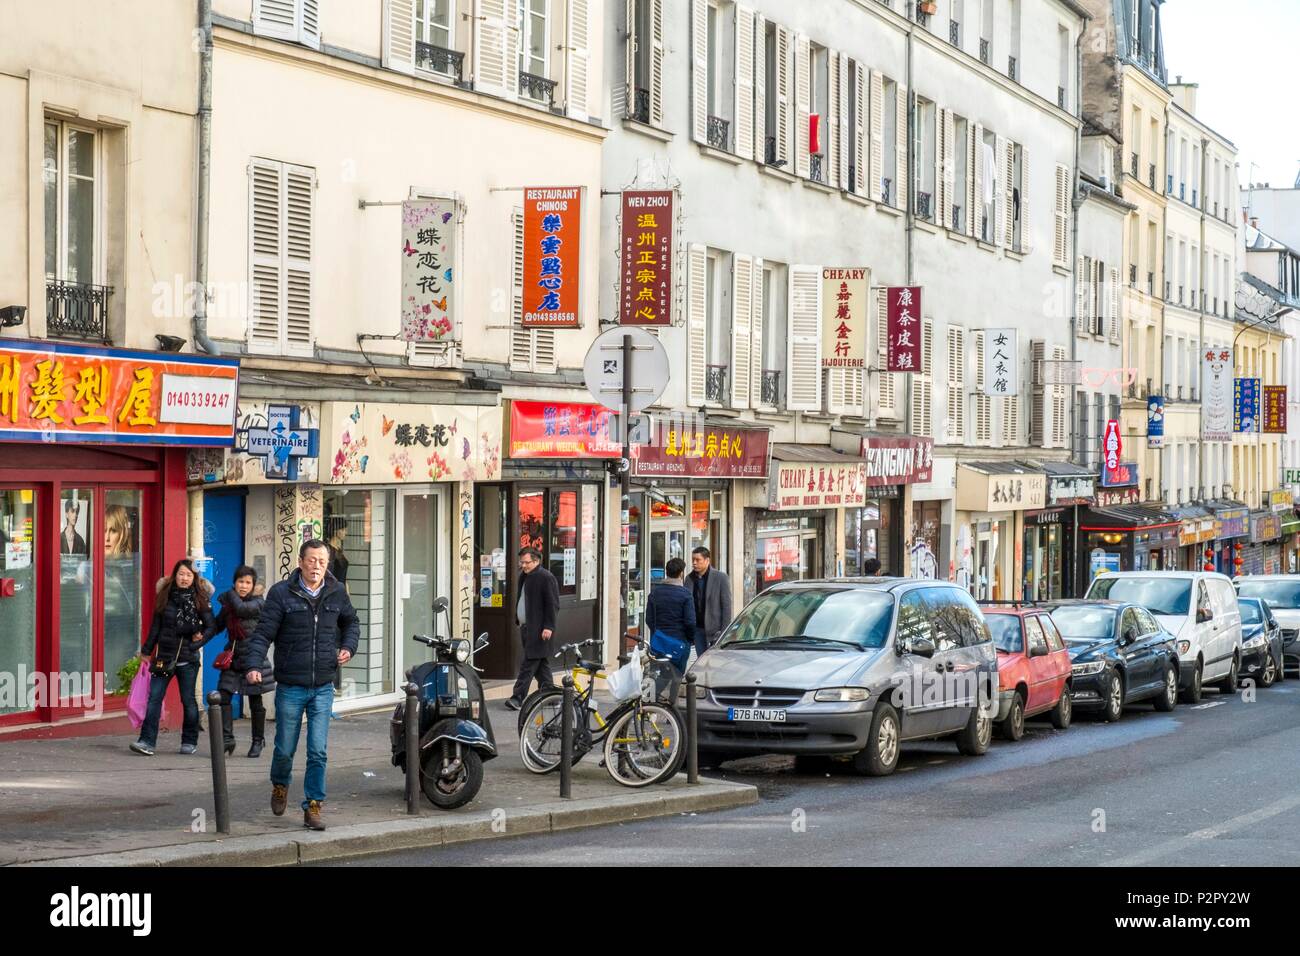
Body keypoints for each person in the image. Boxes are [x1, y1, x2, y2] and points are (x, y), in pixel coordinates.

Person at [245, 540, 358, 831]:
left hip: (322, 684)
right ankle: (280, 785)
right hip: (291, 685)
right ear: (300, 561)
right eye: (311, 560)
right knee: (284, 748)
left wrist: (348, 646)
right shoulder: (282, 593)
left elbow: (351, 623)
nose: (317, 566)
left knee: (318, 750)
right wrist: (254, 665)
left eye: (322, 561)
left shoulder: (336, 592)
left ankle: (313, 806)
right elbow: (263, 633)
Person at [130, 559, 215, 757]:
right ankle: (146, 741)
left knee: (188, 701)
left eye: (188, 575)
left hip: (188, 659)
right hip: (164, 657)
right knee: (154, 699)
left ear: (193, 578)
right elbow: (155, 627)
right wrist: (146, 651)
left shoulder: (199, 599)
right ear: (174, 576)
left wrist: (196, 644)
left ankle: (189, 741)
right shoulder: (165, 597)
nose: (184, 578)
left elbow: (212, 626)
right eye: (181, 574)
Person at [206, 565, 273, 758]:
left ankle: (258, 741)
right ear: (235, 582)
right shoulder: (230, 605)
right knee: (223, 696)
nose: (243, 586)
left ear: (253, 585)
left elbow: (242, 609)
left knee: (255, 701)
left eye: (247, 582)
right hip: (234, 658)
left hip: (253, 658)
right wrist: (198, 637)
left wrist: (229, 594)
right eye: (240, 582)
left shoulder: (258, 602)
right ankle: (227, 739)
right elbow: (216, 626)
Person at [505, 547, 558, 712]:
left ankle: (517, 697)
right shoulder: (524, 576)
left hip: (539, 629)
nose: (524, 565)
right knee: (541, 665)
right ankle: (552, 696)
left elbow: (553, 604)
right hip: (526, 627)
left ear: (536, 561)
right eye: (522, 562)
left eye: (526, 562)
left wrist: (549, 626)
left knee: (529, 663)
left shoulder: (546, 577)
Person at [647, 557, 697, 668]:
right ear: (681, 574)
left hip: (659, 642)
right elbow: (690, 622)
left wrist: (657, 633)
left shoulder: (655, 593)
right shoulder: (686, 594)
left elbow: (649, 619)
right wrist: (690, 639)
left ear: (666, 572)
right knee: (677, 677)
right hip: (679, 642)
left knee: (659, 675)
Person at [687, 547, 732, 656]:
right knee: (701, 661)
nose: (694, 563)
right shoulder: (689, 578)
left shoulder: (720, 577)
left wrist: (724, 631)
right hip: (697, 629)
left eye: (698, 560)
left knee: (715, 661)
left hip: (715, 631)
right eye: (693, 560)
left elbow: (726, 606)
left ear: (707, 560)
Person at [325, 515, 349, 587]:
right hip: (334, 591)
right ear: (336, 530)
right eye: (343, 530)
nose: (346, 532)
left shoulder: (338, 549)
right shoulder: (329, 550)